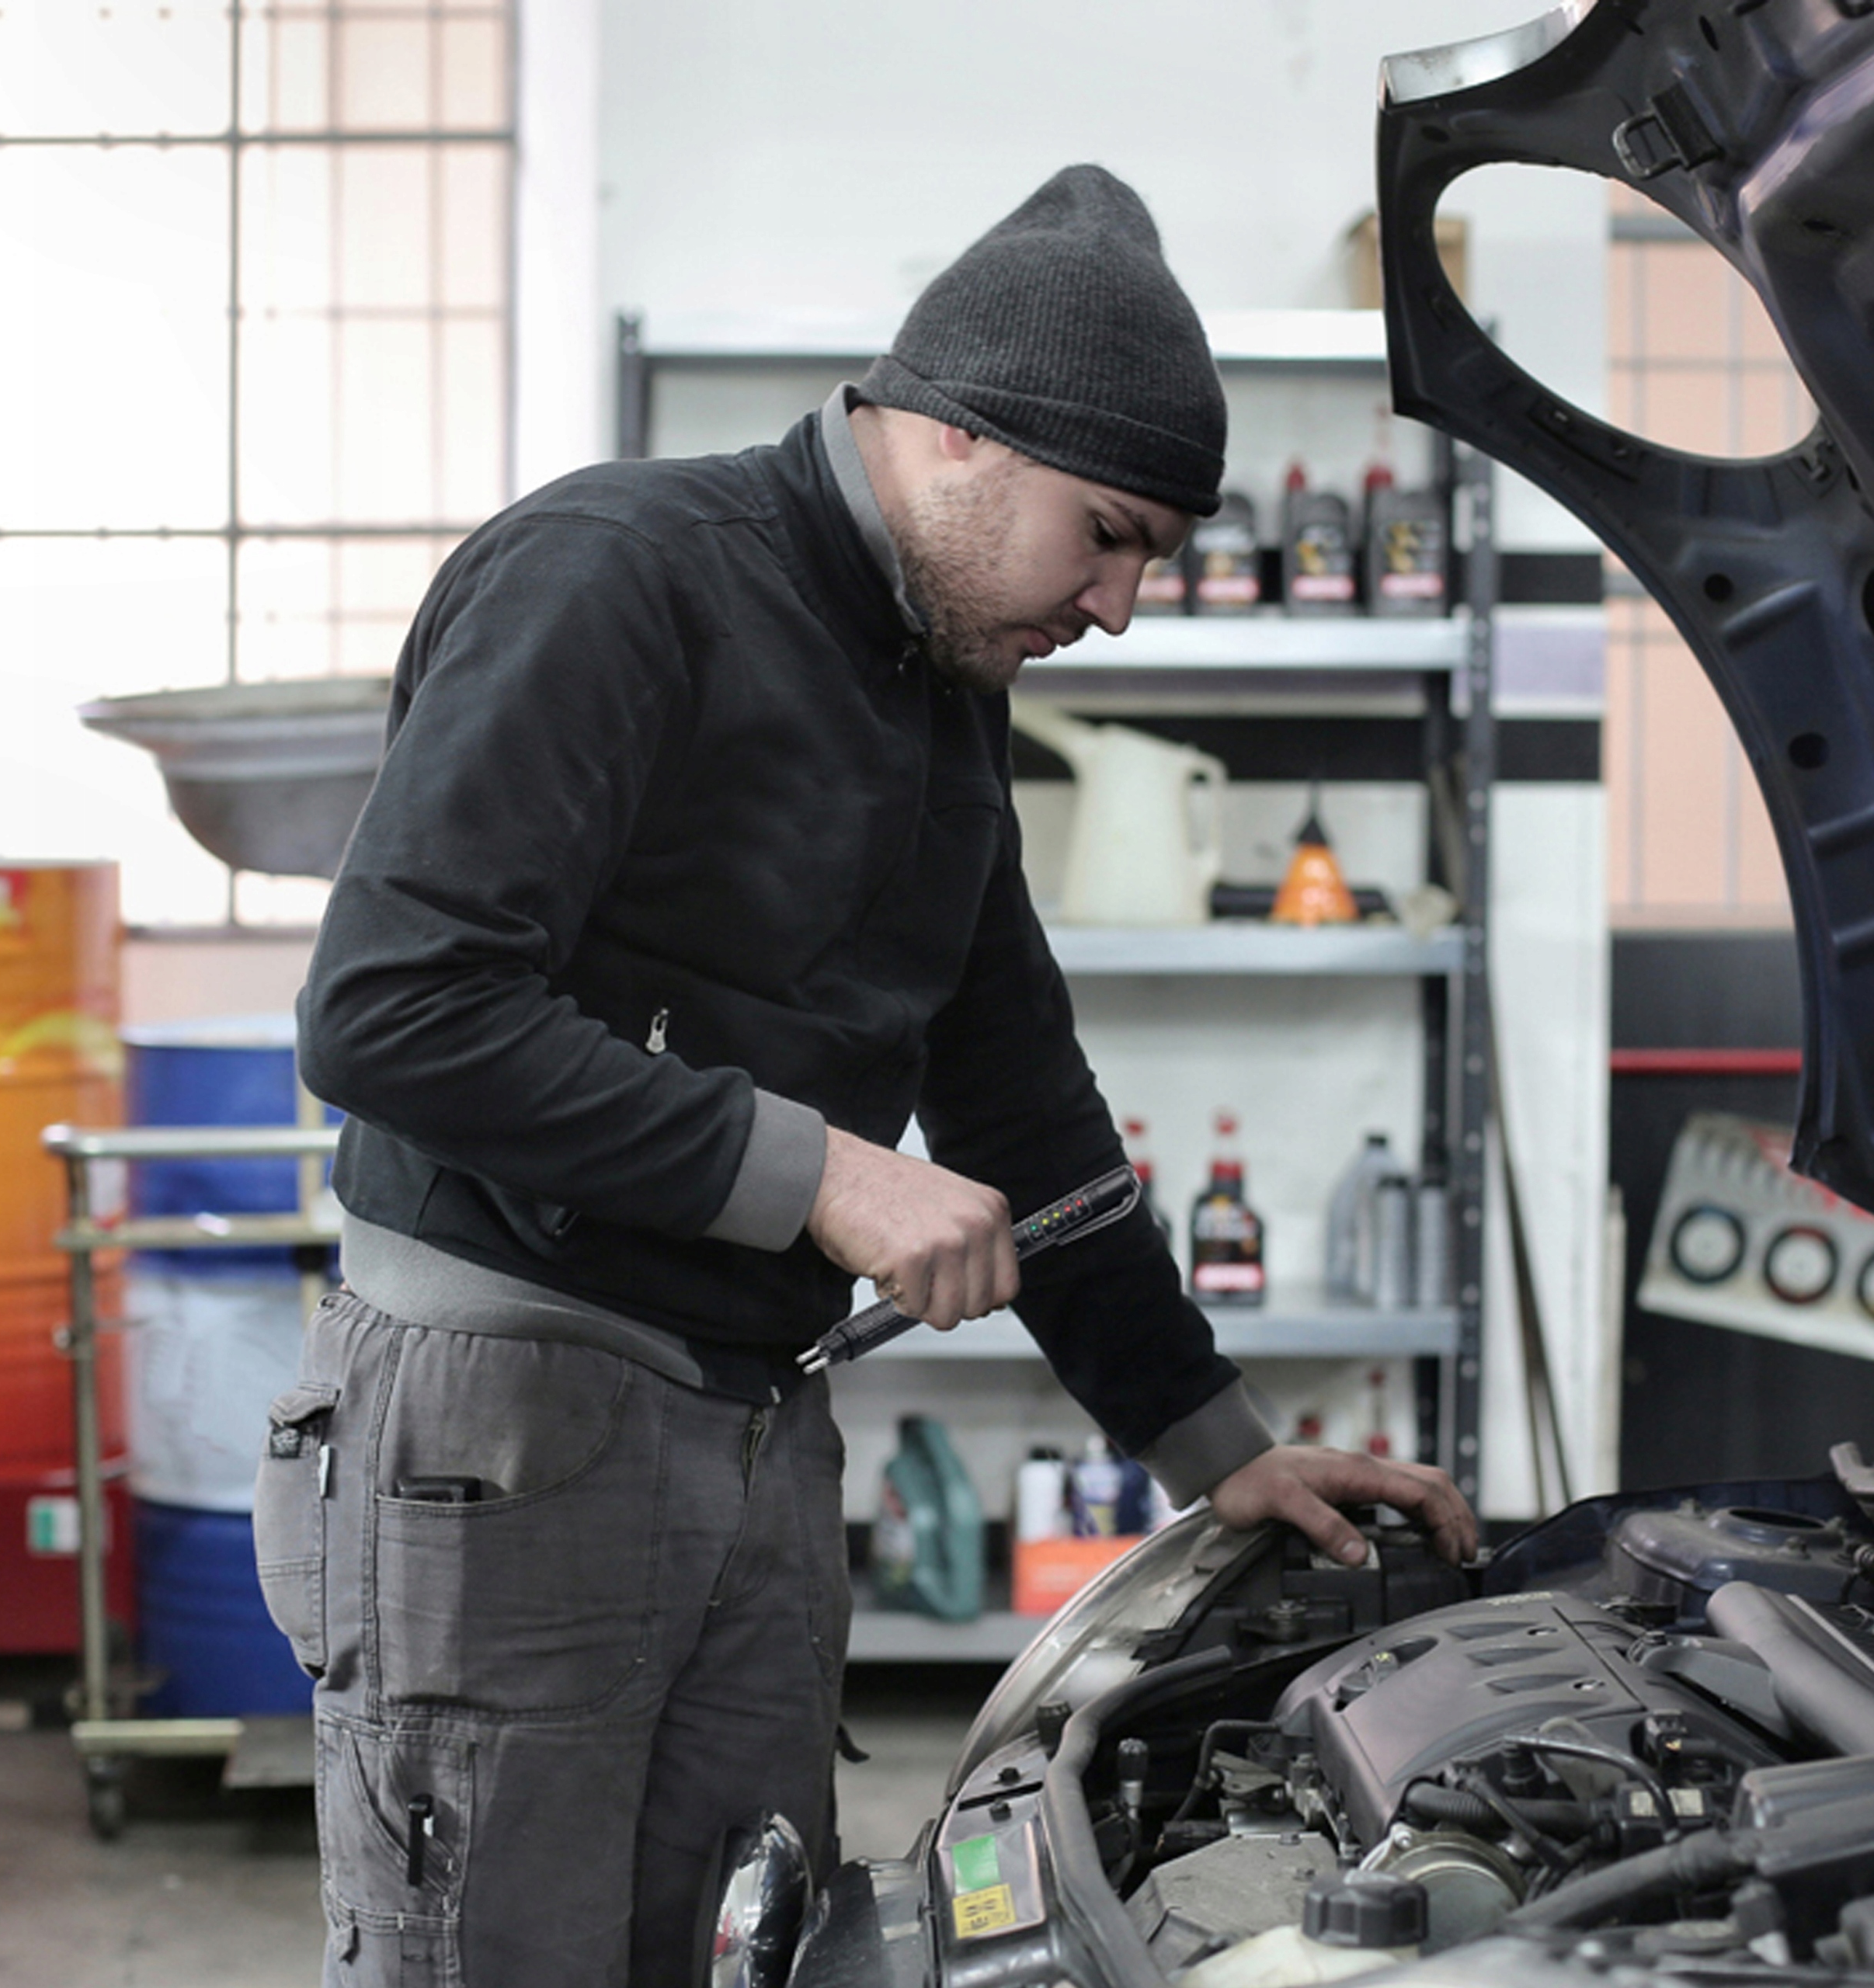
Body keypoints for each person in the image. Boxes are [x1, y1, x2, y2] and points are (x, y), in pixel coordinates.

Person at [257, 162, 1477, 1988]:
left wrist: (1212, 1447)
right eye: (1107, 535)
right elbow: (388, 1009)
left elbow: (1017, 1098)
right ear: (960, 435)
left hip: (752, 1426)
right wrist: (822, 1170)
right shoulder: (617, 575)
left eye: (1150, 554)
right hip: (503, 1436)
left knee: (755, 1956)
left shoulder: (937, 682)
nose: (1122, 606)